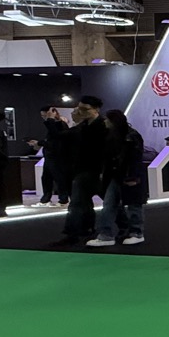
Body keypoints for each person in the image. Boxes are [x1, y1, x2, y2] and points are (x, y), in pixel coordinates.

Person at [88, 110, 148, 247]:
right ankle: (106, 235)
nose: (105, 122)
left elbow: (135, 158)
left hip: (129, 175)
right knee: (109, 205)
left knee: (133, 205)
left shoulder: (131, 136)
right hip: (116, 175)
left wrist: (132, 176)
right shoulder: (111, 136)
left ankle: (136, 233)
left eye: (107, 119)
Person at [57, 97, 108, 245]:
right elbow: (64, 138)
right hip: (83, 171)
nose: (81, 112)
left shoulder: (104, 126)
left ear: (96, 109)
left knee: (112, 203)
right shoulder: (82, 127)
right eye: (79, 109)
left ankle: (128, 229)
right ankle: (75, 233)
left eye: (85, 109)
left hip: (100, 171)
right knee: (78, 203)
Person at [28, 106, 71, 207]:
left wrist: (40, 143)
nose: (45, 118)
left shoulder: (59, 124)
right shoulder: (53, 125)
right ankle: (46, 199)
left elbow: (56, 141)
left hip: (56, 156)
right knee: (46, 178)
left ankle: (63, 199)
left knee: (58, 177)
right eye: (43, 116)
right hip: (49, 155)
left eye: (46, 115)